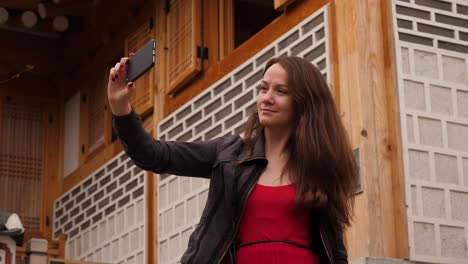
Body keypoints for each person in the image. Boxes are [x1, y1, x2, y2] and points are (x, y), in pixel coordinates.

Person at [108, 55, 358, 264]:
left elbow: (334, 249)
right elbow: (154, 155)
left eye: (281, 91)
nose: (266, 98)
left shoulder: (320, 166)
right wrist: (121, 109)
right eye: (263, 88)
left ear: (304, 104)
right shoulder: (228, 154)